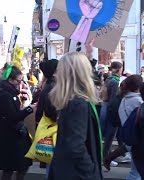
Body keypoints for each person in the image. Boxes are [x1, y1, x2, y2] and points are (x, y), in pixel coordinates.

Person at [48, 52, 102, 180]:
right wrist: (90, 172)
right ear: (83, 73)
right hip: (78, 174)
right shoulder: (78, 103)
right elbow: (76, 145)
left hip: (66, 169)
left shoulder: (70, 101)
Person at [0, 65, 34, 180]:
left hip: (10, 134)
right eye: (18, 81)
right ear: (10, 79)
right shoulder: (5, 94)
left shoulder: (6, 92)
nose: (20, 83)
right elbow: (13, 116)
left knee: (11, 168)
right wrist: (30, 109)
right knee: (16, 167)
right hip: (11, 136)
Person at [102, 61, 124, 167]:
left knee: (110, 135)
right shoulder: (115, 82)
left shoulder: (109, 79)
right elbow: (113, 100)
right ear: (119, 69)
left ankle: (110, 155)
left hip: (105, 108)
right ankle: (106, 157)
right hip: (111, 111)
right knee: (110, 136)